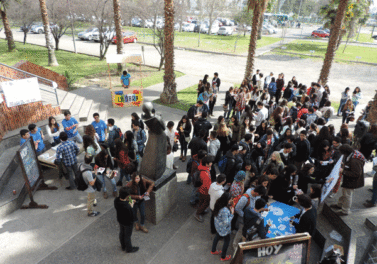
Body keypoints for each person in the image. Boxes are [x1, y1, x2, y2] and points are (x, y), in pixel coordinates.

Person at [331, 145, 365, 216]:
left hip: (352, 181)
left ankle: (345, 211)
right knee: (345, 193)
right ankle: (340, 204)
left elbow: (356, 173)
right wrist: (344, 165)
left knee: (347, 195)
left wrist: (343, 171)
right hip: (349, 179)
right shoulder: (353, 154)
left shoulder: (355, 160)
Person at [114, 187, 139, 253]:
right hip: (128, 222)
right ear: (127, 196)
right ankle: (129, 249)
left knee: (122, 232)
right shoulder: (127, 206)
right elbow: (131, 215)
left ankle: (123, 246)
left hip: (120, 219)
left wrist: (129, 202)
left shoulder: (116, 200)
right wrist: (132, 204)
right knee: (127, 236)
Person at [211, 192, 233, 262]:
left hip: (218, 226)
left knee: (217, 237)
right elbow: (226, 222)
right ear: (227, 200)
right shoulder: (224, 210)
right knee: (227, 241)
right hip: (224, 229)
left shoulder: (218, 202)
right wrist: (232, 214)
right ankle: (223, 257)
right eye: (230, 199)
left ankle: (213, 250)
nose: (231, 200)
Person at [195, 156, 213, 222]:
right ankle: (198, 213)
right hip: (205, 191)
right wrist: (210, 192)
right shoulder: (204, 173)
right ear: (206, 164)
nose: (211, 164)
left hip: (201, 190)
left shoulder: (203, 168)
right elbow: (206, 185)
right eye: (210, 163)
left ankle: (200, 211)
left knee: (201, 201)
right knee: (206, 203)